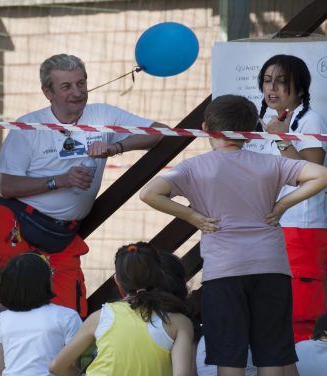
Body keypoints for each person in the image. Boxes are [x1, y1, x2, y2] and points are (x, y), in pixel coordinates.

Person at [139, 95, 327, 376]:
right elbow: (321, 174)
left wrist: (193, 217)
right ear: (251, 131)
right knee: (273, 355)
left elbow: (148, 193)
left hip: (223, 271)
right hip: (271, 267)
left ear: (205, 127)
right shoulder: (270, 164)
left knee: (229, 357)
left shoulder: (194, 167)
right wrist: (283, 204)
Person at [0, 53, 165, 317]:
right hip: (19, 226)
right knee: (6, 309)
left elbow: (161, 131)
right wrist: (60, 181)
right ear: (48, 92)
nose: (77, 93)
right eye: (66, 86)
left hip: (63, 237)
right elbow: (8, 187)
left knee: (69, 314)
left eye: (81, 83)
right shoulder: (28, 126)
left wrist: (115, 147)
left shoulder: (102, 113)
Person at [245, 54, 327, 343]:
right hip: (274, 227)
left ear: (301, 89)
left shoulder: (310, 120)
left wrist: (279, 138)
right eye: (267, 81)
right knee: (275, 307)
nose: (272, 89)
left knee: (302, 310)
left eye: (281, 82)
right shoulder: (269, 123)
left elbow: (311, 172)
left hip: (303, 228)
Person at [50, 242, 194, 376]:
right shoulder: (179, 323)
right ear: (160, 277)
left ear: (117, 280)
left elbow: (57, 365)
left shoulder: (100, 317)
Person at [0, 252, 81, 376]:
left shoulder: (1, 319)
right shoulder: (67, 317)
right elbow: (73, 367)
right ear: (44, 282)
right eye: (50, 273)